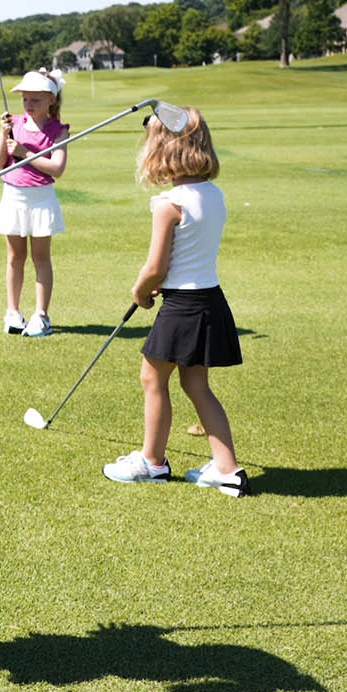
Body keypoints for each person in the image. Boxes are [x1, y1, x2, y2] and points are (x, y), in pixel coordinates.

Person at [103, 107, 250, 496]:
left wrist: (140, 290)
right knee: (197, 385)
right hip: (210, 300)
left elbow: (156, 266)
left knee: (152, 377)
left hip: (182, 306)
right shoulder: (213, 195)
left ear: (162, 150)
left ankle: (152, 462)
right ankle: (227, 469)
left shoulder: (168, 203)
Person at [0, 69, 70, 337]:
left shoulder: (59, 131)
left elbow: (56, 168)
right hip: (13, 196)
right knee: (15, 257)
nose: (29, 104)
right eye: (26, 99)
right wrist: (4, 135)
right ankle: (13, 312)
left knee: (40, 257)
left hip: (41, 198)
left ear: (51, 100)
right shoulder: (13, 123)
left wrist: (26, 152)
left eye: (35, 99)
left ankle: (41, 315)